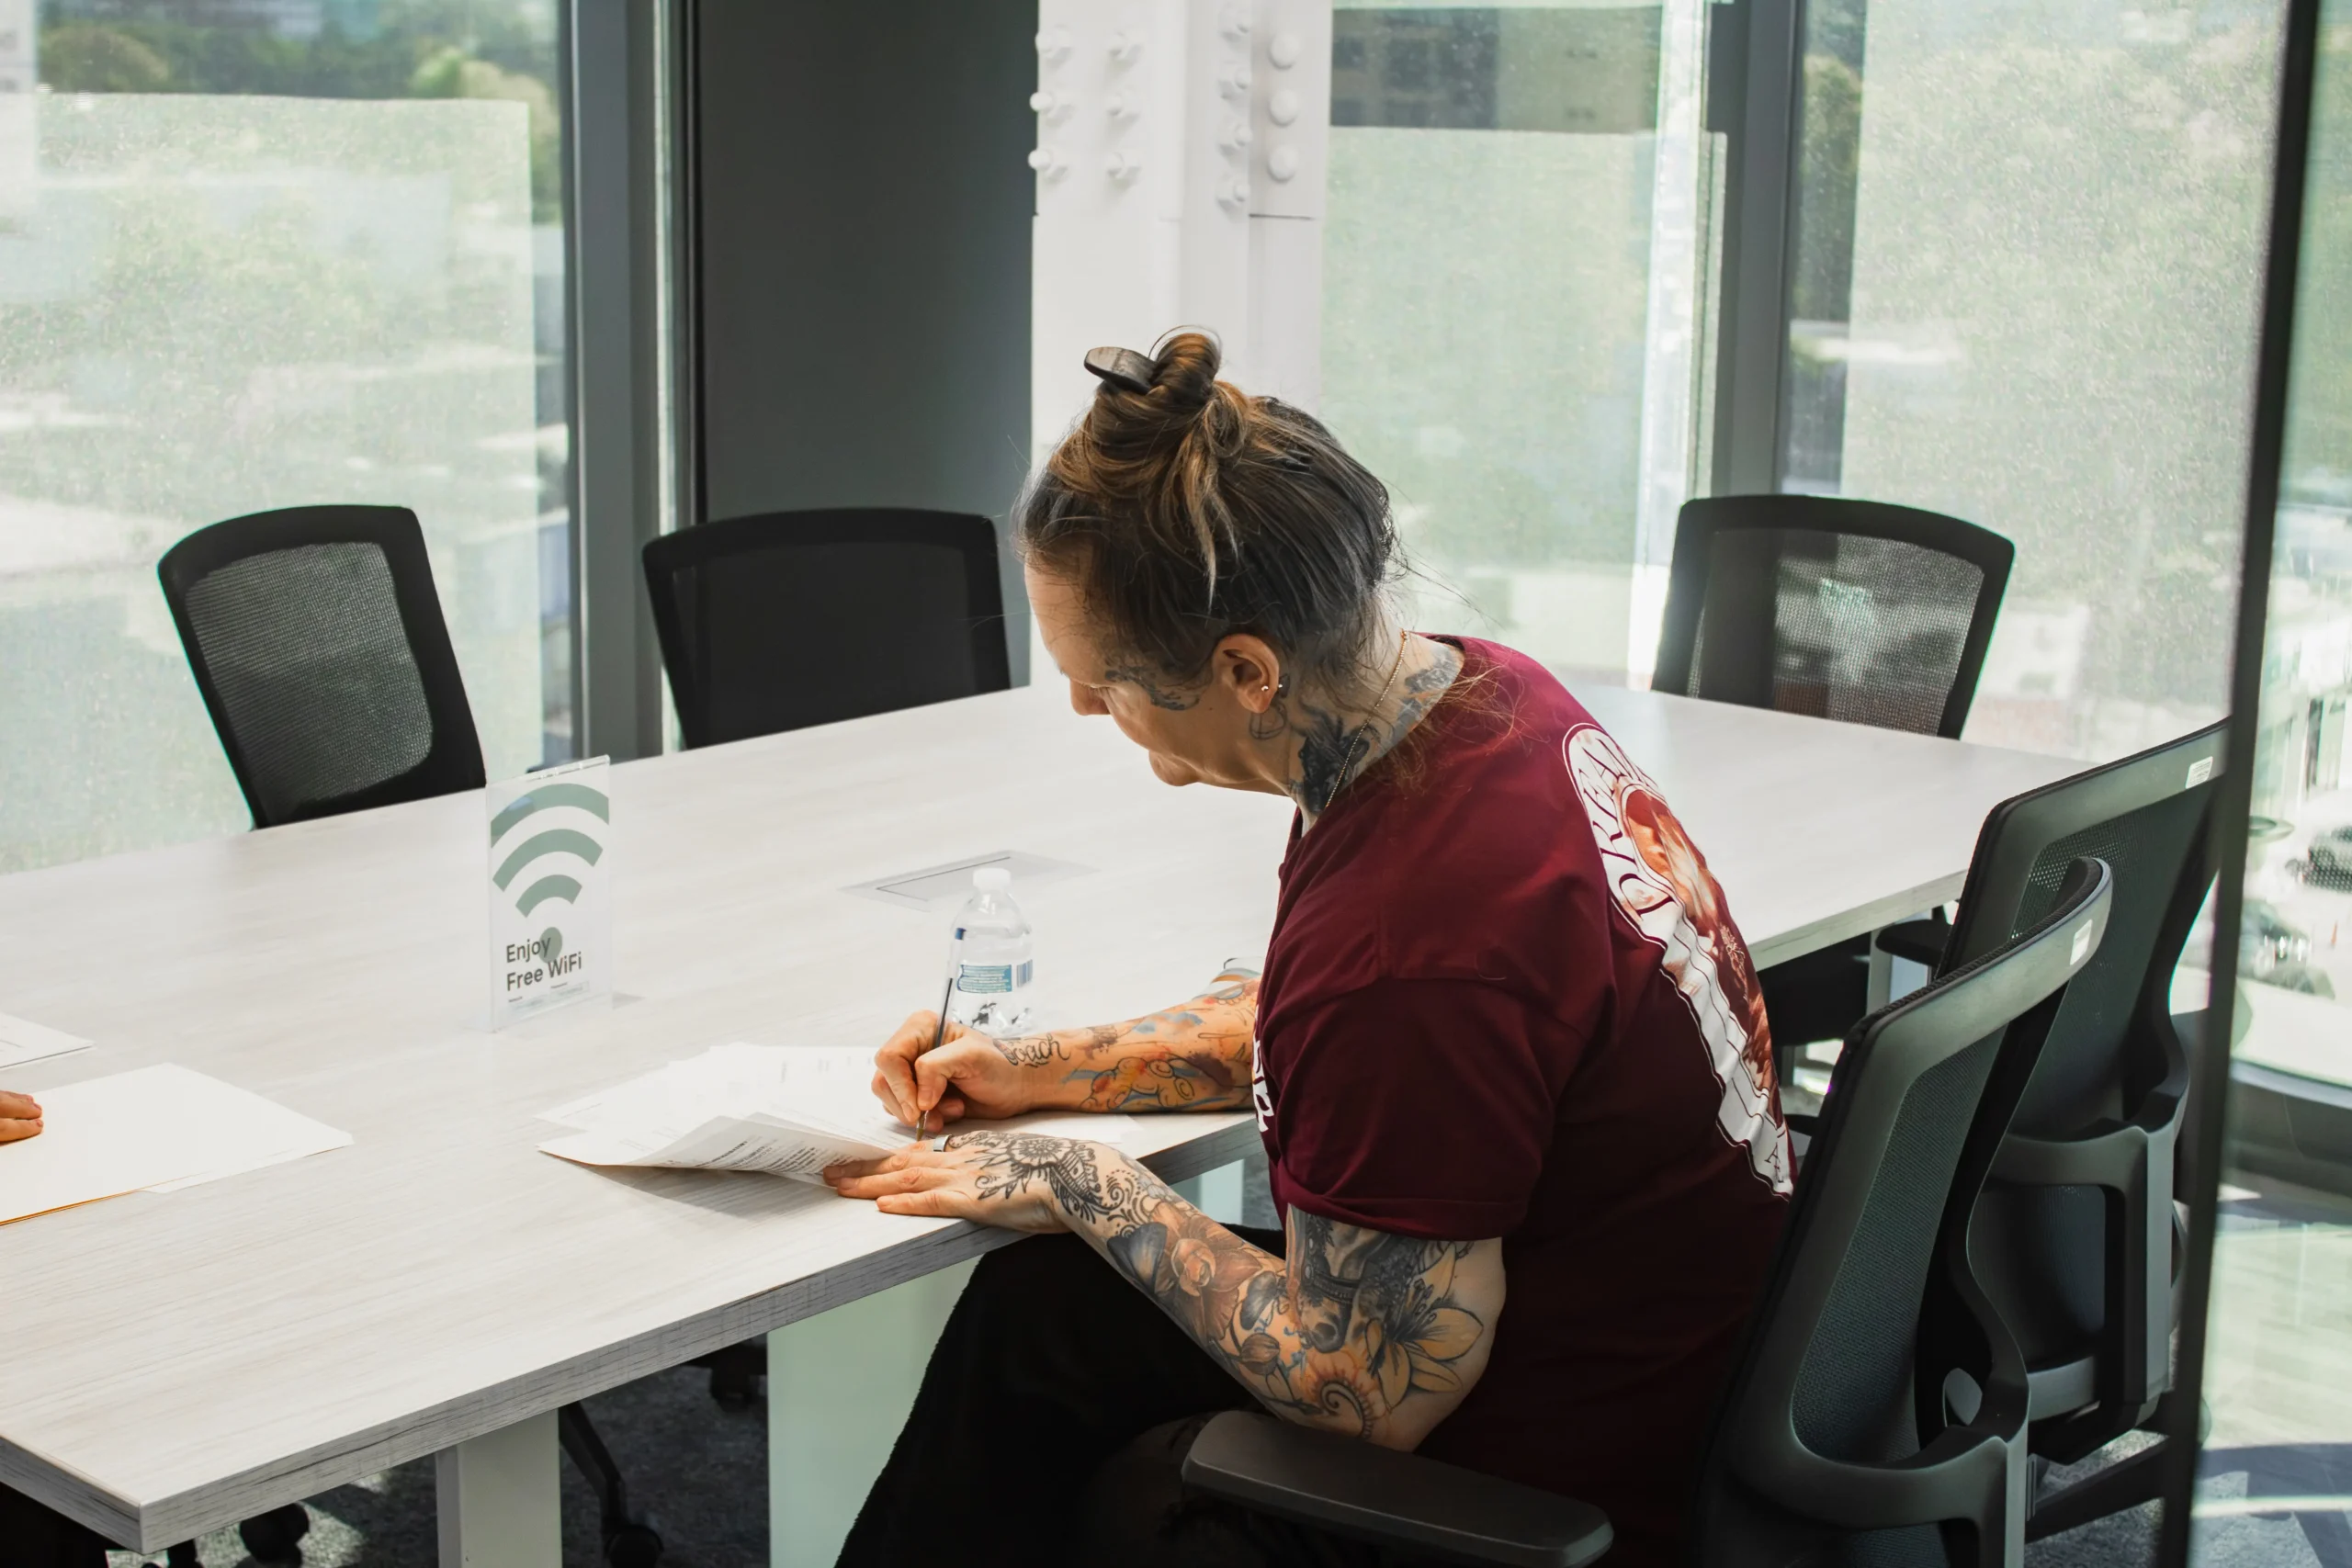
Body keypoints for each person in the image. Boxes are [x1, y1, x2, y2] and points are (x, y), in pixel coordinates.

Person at [824, 333, 1792, 1568]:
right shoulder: (1473, 701)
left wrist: (1085, 1181)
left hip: (1576, 1490)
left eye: (1102, 680)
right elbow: (1332, 1035)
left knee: (1121, 1479)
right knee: (1041, 1314)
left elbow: (1375, 1391)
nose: (1077, 706)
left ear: (1245, 670)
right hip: (1669, 1354)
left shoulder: (1414, 935)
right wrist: (1044, 1065)